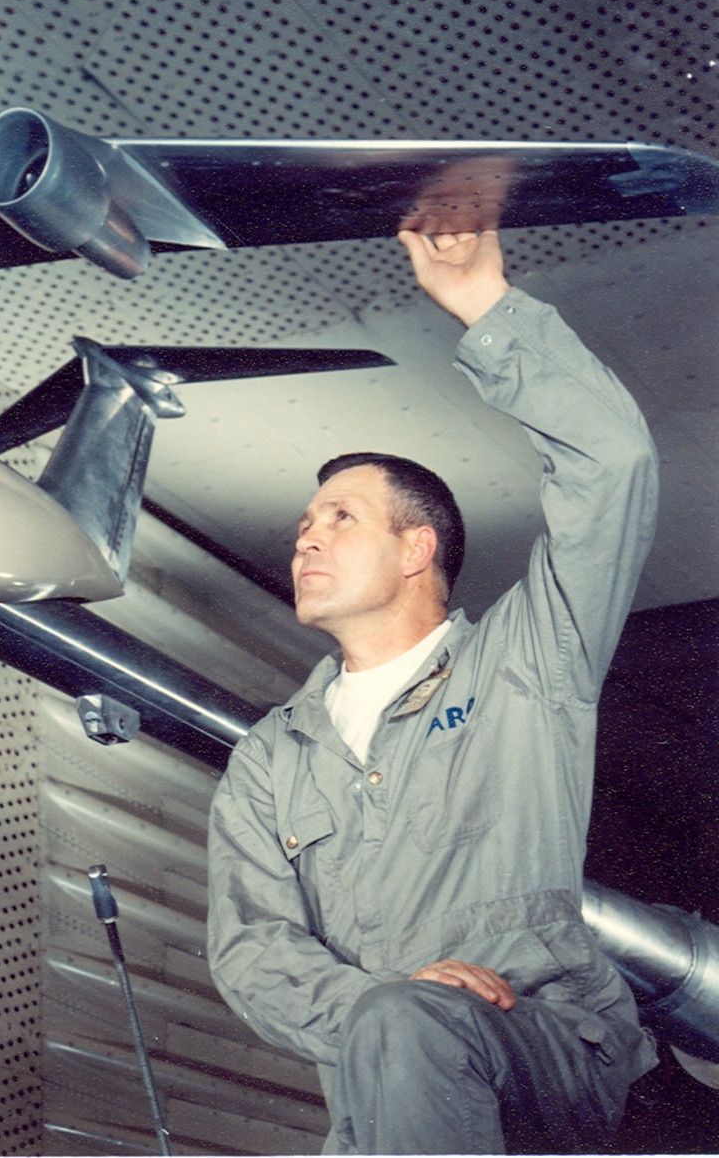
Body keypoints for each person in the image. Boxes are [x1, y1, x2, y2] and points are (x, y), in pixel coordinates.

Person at [205, 228, 660, 1153]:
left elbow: (612, 470)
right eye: (303, 523)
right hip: (389, 1103)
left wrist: (489, 310)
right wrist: (383, 1000)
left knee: (411, 1026)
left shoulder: (529, 663)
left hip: (550, 1055)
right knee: (401, 1029)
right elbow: (251, 949)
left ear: (418, 551)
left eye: (340, 516)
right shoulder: (270, 758)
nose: (307, 539)